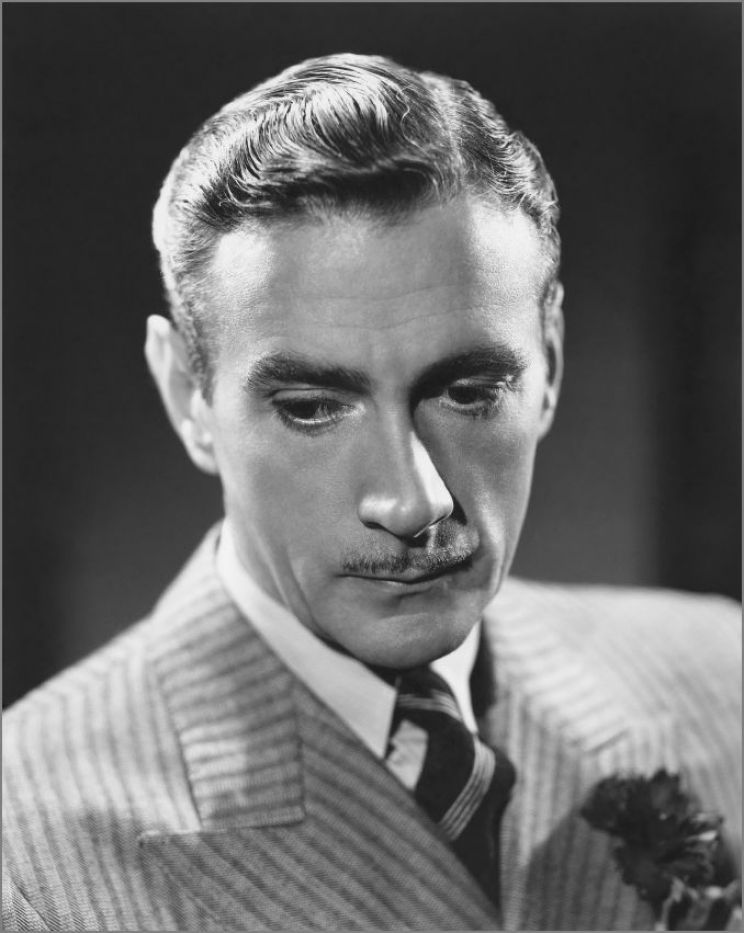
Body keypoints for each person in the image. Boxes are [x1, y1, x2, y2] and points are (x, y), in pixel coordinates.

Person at [2, 53, 740, 932]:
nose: (414, 501)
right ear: (187, 396)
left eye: (468, 392)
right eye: (312, 407)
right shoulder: (24, 850)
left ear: (549, 360)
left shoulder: (720, 674)